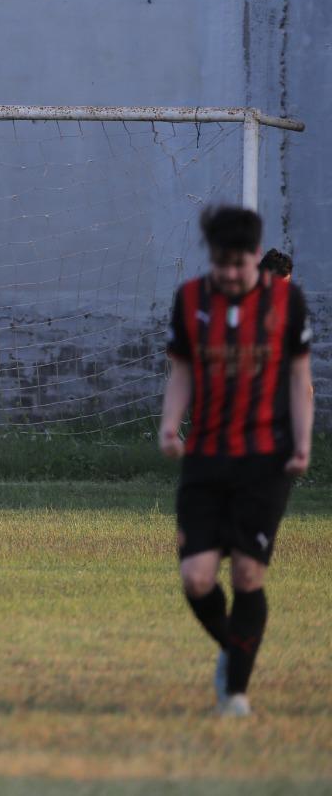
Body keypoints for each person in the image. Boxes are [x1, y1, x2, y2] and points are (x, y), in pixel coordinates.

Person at [160, 205, 313, 718]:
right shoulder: (190, 300)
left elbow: (298, 377)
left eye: (238, 264)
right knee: (197, 579)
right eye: (221, 263)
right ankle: (234, 648)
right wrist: (169, 424)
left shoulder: (287, 303)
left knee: (248, 574)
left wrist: (302, 441)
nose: (229, 273)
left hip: (265, 458)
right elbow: (181, 369)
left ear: (255, 258)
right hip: (206, 456)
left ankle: (237, 694)